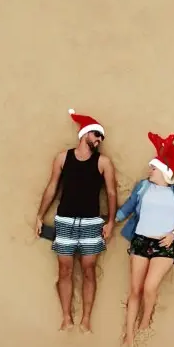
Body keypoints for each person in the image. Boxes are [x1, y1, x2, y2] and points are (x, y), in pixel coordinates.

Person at [33, 110, 119, 331]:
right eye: (96, 135)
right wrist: (40, 216)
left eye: (101, 137)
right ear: (85, 134)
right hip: (65, 221)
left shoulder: (103, 162)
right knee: (65, 270)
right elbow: (52, 187)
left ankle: (86, 319)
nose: (99, 140)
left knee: (89, 271)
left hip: (91, 222)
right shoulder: (63, 158)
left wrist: (110, 222)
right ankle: (66, 318)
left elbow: (111, 193)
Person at [113, 133, 174, 347]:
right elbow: (128, 208)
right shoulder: (143, 187)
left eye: (153, 168)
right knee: (135, 289)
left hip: (165, 244)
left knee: (150, 287)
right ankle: (129, 335)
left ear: (164, 172)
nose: (149, 170)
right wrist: (111, 221)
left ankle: (145, 319)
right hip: (140, 241)